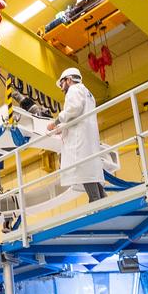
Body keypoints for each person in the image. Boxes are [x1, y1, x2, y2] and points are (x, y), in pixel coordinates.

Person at [50, 67, 105, 201]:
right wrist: (63, 127)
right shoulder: (87, 93)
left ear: (68, 80)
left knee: (84, 170)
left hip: (79, 139)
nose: (62, 88)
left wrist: (56, 122)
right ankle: (102, 199)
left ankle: (96, 202)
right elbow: (77, 115)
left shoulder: (74, 89)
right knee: (91, 172)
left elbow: (73, 109)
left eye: (62, 84)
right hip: (88, 137)